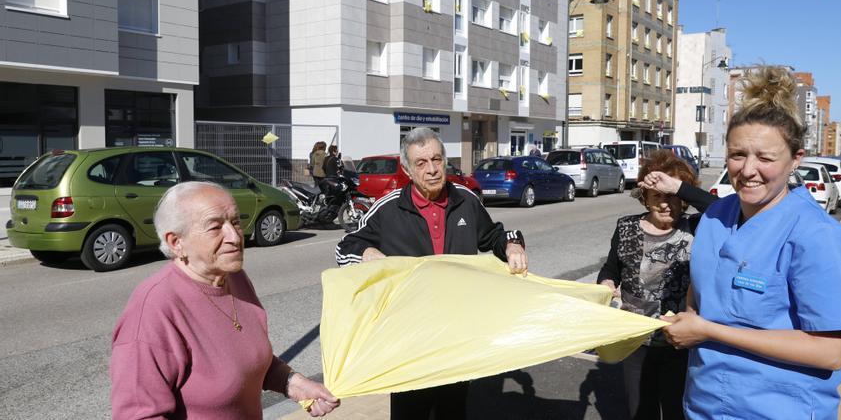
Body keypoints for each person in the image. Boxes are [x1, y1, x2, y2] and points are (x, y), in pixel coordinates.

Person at [661, 66, 841, 419]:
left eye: (766, 158)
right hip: (703, 406)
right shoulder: (715, 217)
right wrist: (687, 320)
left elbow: (831, 352)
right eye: (738, 155)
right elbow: (700, 293)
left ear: (796, 159)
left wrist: (708, 331)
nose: (748, 170)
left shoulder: (819, 237)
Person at [334, 127, 528, 420]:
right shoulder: (387, 209)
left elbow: (494, 236)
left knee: (453, 410)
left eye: (437, 159)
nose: (433, 170)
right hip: (408, 339)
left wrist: (512, 246)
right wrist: (367, 254)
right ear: (407, 170)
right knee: (410, 412)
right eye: (421, 163)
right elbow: (345, 247)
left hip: (456, 333)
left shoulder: (466, 200)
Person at [110, 181, 340, 419]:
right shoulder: (153, 311)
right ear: (176, 242)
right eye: (215, 227)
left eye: (236, 222)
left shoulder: (233, 277)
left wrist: (294, 383)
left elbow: (247, 360)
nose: (234, 236)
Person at [597, 150, 700, 420]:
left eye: (673, 197)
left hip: (679, 341)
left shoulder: (698, 227)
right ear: (646, 198)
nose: (666, 204)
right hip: (636, 340)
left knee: (677, 410)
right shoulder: (626, 227)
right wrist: (606, 283)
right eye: (658, 196)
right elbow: (611, 268)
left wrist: (679, 186)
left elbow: (724, 208)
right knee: (640, 410)